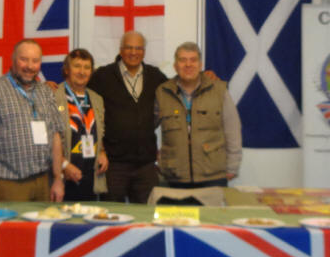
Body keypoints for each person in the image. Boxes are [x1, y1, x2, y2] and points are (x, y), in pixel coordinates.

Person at [0, 39, 65, 202]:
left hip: (44, 182)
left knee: (44, 220)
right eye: (24, 59)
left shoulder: (46, 92)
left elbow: (56, 136)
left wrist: (58, 178)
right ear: (13, 59)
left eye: (35, 61)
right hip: (10, 184)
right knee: (13, 221)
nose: (30, 66)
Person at [87, 31, 168, 203]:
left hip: (146, 165)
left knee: (147, 215)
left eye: (138, 48)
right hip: (113, 165)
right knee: (112, 214)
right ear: (120, 50)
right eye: (129, 48)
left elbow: (177, 88)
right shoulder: (103, 76)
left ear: (144, 52)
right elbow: (82, 96)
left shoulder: (155, 76)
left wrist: (204, 75)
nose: (133, 52)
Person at [155, 41, 242, 188]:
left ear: (200, 65)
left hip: (213, 175)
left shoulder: (219, 90)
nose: (188, 65)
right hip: (175, 175)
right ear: (175, 66)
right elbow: (146, 127)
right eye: (183, 60)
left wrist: (233, 166)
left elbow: (232, 129)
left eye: (193, 60)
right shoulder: (162, 92)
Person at [55, 48, 108, 200]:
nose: (82, 72)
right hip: (63, 175)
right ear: (67, 70)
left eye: (87, 67)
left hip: (91, 174)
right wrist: (64, 165)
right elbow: (48, 139)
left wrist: (102, 151)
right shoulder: (53, 96)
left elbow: (100, 130)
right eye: (77, 66)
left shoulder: (97, 99)